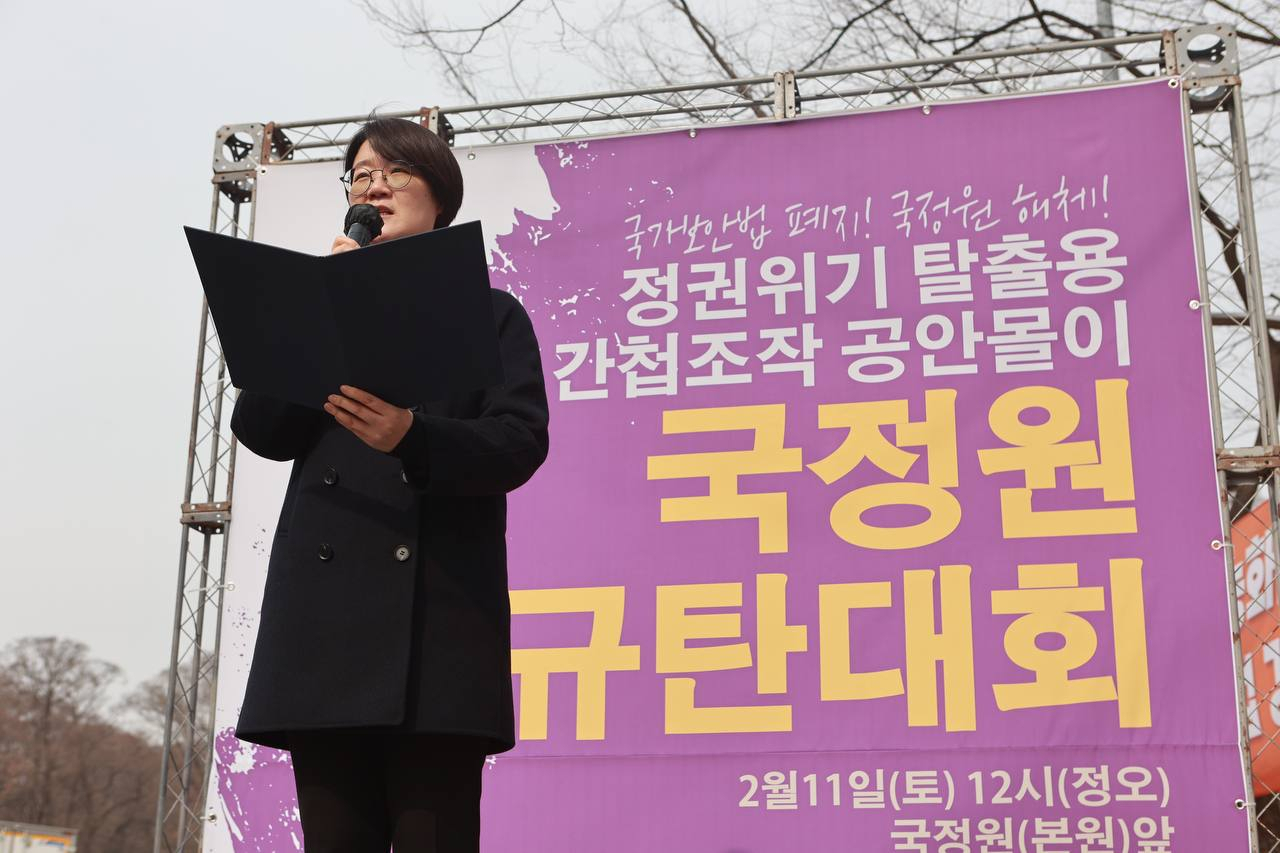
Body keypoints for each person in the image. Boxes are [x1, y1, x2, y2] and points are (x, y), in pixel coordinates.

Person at [229, 116, 550, 853]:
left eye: (395, 171)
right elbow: (262, 429)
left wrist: (414, 436)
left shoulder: (490, 314)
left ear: (440, 193)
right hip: (323, 632)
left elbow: (517, 442)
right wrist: (317, 306)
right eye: (362, 174)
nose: (374, 184)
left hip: (435, 631)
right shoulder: (317, 304)